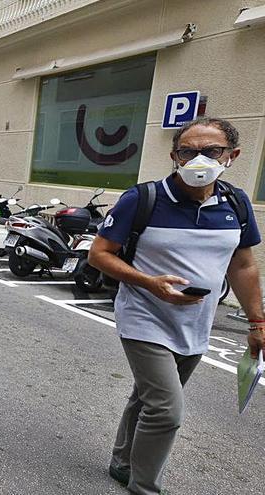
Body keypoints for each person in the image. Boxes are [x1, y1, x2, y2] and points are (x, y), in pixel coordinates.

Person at [89, 117, 264, 495]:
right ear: (174, 156)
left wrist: (256, 322)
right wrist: (150, 284)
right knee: (167, 410)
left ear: (231, 155)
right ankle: (145, 486)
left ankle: (122, 461)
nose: (199, 159)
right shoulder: (144, 198)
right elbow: (100, 255)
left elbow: (243, 264)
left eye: (211, 151)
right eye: (189, 151)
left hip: (198, 322)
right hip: (144, 316)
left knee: (147, 398)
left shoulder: (235, 202)